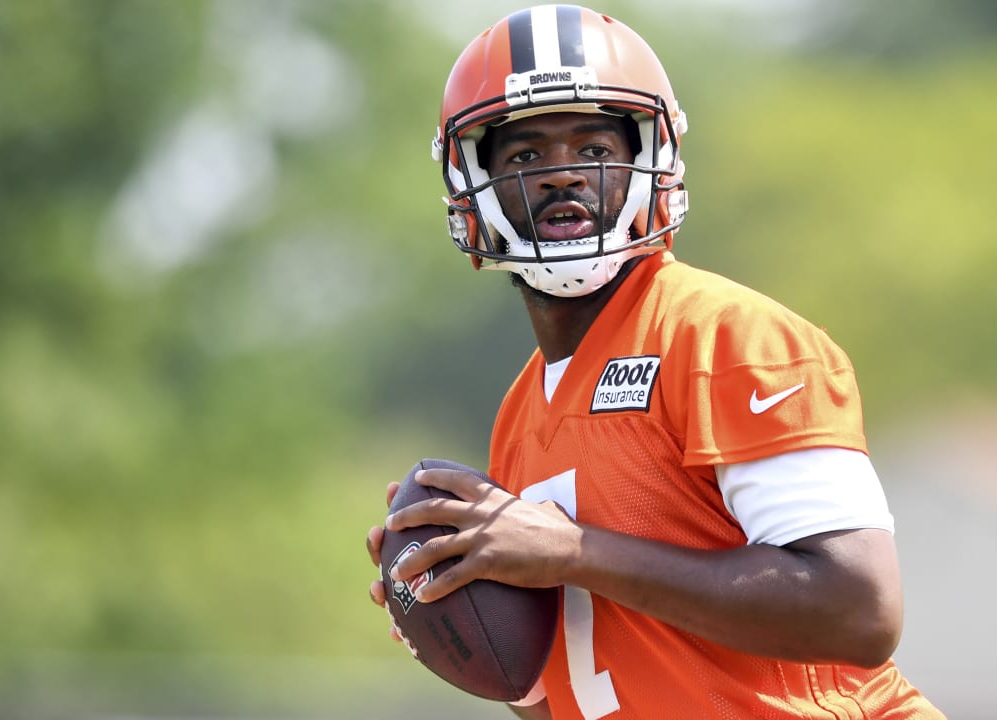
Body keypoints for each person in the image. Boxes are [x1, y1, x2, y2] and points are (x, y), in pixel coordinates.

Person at [366, 5, 945, 719]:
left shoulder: (730, 336)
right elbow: (578, 694)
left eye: (594, 149)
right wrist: (451, 616)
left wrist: (574, 553)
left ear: (650, 162)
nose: (560, 176)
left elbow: (859, 610)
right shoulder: (521, 412)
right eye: (524, 157)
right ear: (472, 186)